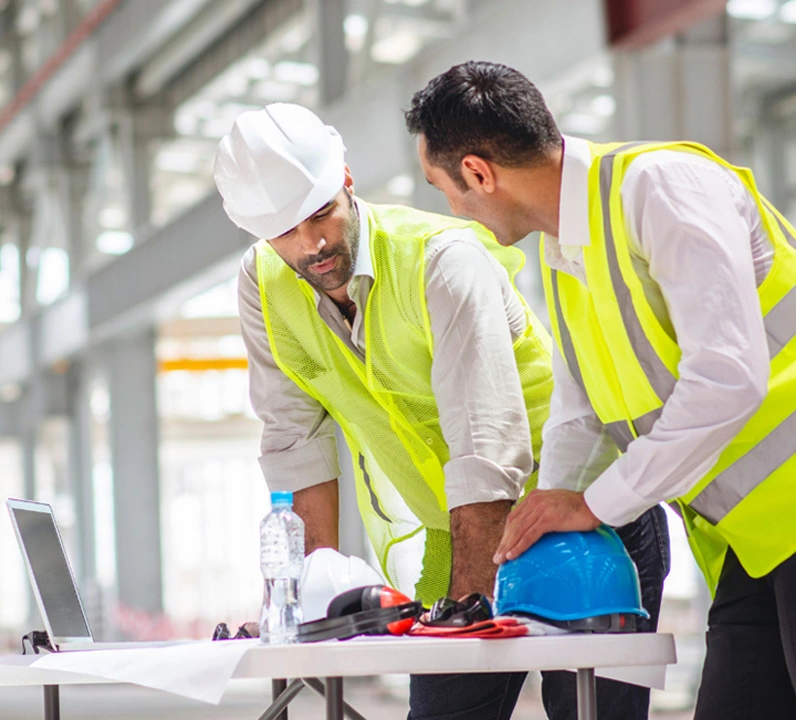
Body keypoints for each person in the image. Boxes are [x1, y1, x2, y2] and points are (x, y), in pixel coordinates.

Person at [214, 102, 656, 720]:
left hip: (577, 515)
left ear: (345, 179)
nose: (311, 245)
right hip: (459, 531)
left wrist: (469, 609)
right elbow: (295, 442)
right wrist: (305, 606)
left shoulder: (442, 260)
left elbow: (485, 447)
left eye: (321, 216)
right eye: (284, 232)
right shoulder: (262, 285)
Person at [407, 60, 796, 719]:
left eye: (445, 188)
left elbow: (728, 377)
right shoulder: (568, 249)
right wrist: (550, 504)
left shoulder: (662, 187)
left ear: (478, 172)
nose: (453, 210)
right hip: (755, 541)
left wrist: (594, 504)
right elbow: (583, 406)